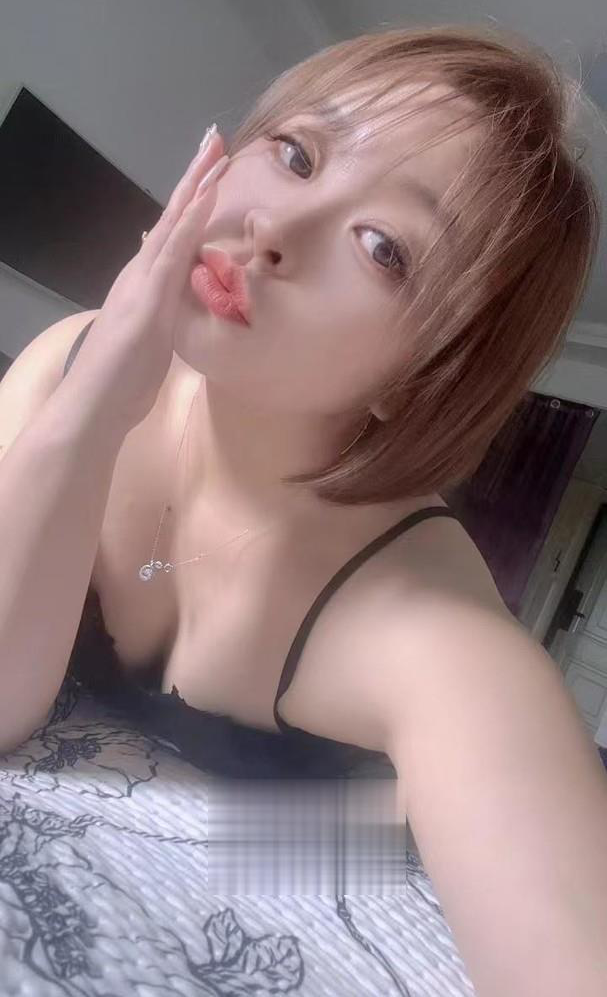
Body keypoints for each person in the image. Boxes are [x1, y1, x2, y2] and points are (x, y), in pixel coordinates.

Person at [1, 23, 606, 994]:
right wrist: (89, 413)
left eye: (383, 248)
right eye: (295, 153)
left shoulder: (427, 628)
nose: (275, 228)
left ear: (426, 376)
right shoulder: (73, 360)